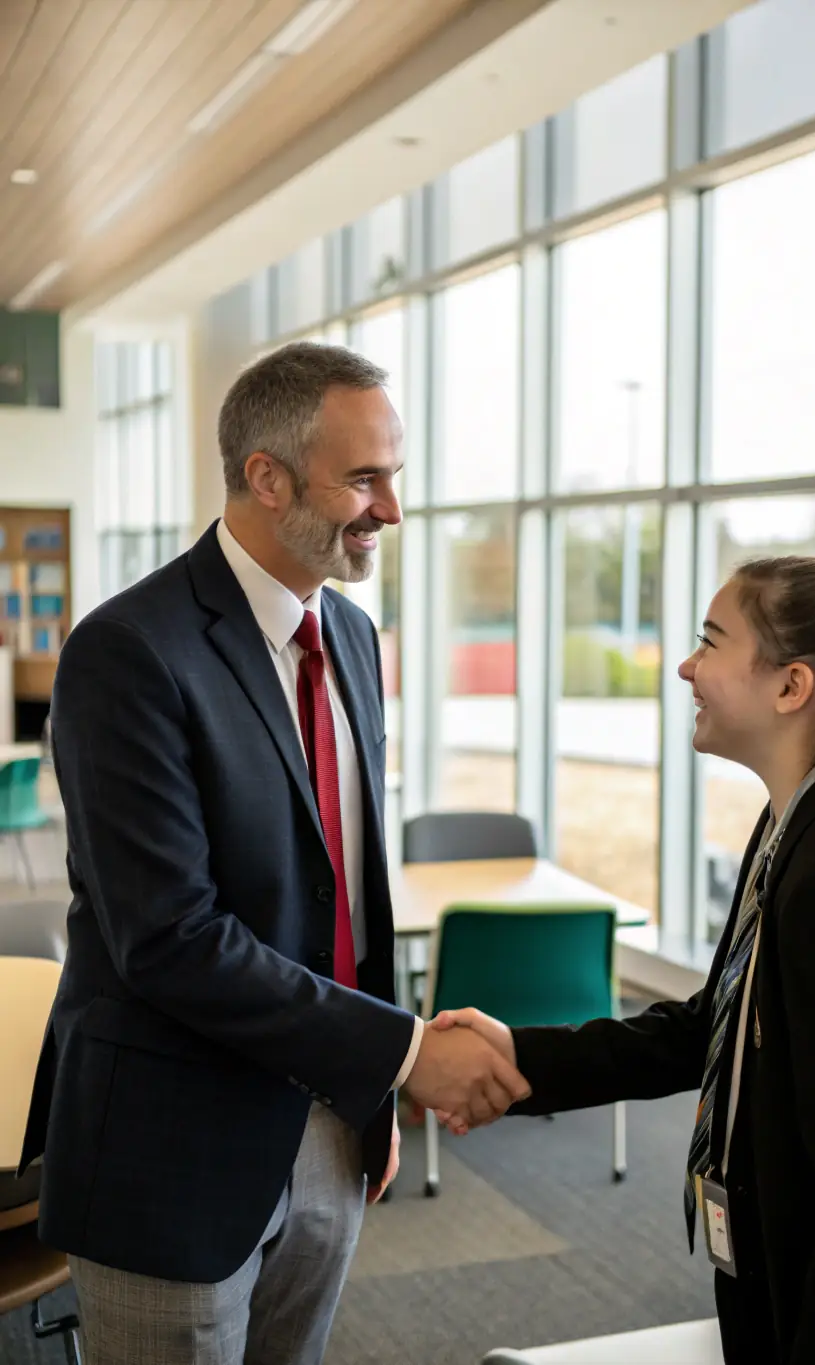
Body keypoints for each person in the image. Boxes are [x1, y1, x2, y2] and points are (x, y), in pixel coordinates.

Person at [19, 342, 529, 1365]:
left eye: (395, 476)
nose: (391, 510)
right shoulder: (129, 650)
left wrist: (373, 1102)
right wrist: (406, 1050)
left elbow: (351, 886)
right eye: (365, 479)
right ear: (266, 476)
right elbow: (169, 937)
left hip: (331, 1124)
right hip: (174, 1151)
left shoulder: (350, 637)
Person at [435, 556, 815, 1365]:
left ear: (791, 686)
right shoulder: (799, 822)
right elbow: (718, 1024)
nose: (686, 665)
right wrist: (524, 1056)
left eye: (711, 642)